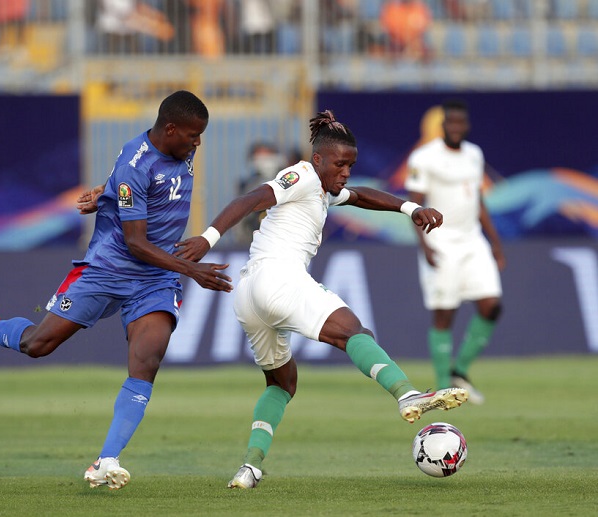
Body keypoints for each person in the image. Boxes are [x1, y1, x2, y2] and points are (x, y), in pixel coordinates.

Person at [0, 90, 233, 489]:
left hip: (154, 279)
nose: (197, 144)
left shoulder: (176, 148)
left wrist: (105, 192)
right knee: (38, 345)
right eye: (192, 136)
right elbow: (135, 242)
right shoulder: (138, 161)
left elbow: (131, 186)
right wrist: (191, 269)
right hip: (109, 268)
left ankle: (106, 459)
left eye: (200, 136)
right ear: (170, 129)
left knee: (147, 358)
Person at [174, 110, 469, 489]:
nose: (346, 172)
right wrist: (207, 238)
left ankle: (250, 466)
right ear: (318, 159)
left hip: (250, 297)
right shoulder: (301, 175)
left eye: (351, 165)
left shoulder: (322, 187)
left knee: (282, 384)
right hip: (278, 278)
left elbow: (362, 196)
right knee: (353, 331)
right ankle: (406, 394)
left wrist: (410, 208)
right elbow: (252, 199)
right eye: (340, 164)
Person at [405, 99, 505, 405]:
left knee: (491, 305)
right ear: (443, 125)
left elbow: (477, 199)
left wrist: (495, 241)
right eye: (451, 123)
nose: (456, 128)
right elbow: (414, 204)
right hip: (440, 240)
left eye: (461, 123)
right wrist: (424, 245)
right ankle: (441, 386)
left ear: (466, 125)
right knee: (445, 313)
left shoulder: (474, 154)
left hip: (473, 239)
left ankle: (459, 371)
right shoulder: (424, 157)